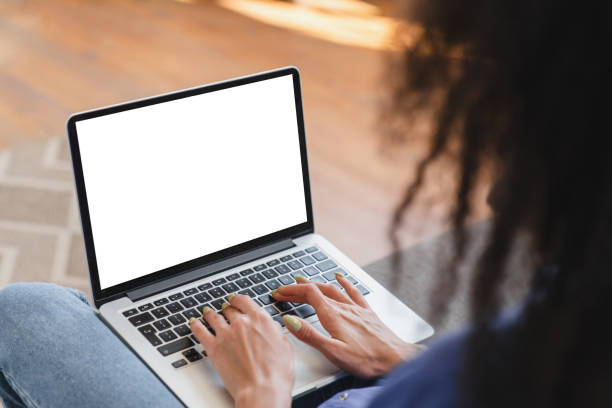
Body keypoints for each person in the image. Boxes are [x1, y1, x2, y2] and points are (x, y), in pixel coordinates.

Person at [1, 0, 610, 407]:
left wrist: (261, 389)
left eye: (515, 149)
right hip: (374, 381)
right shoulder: (570, 320)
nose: (496, 195)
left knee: (28, 311)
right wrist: (404, 359)